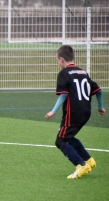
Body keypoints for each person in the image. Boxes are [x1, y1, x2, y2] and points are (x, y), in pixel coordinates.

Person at [45, 45, 106, 179]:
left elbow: (63, 95)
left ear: (61, 59)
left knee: (60, 141)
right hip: (86, 112)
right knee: (69, 137)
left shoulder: (64, 74)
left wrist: (53, 111)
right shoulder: (83, 73)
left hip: (73, 113)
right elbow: (99, 90)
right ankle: (89, 161)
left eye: (57, 60)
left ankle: (81, 164)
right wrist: (101, 107)